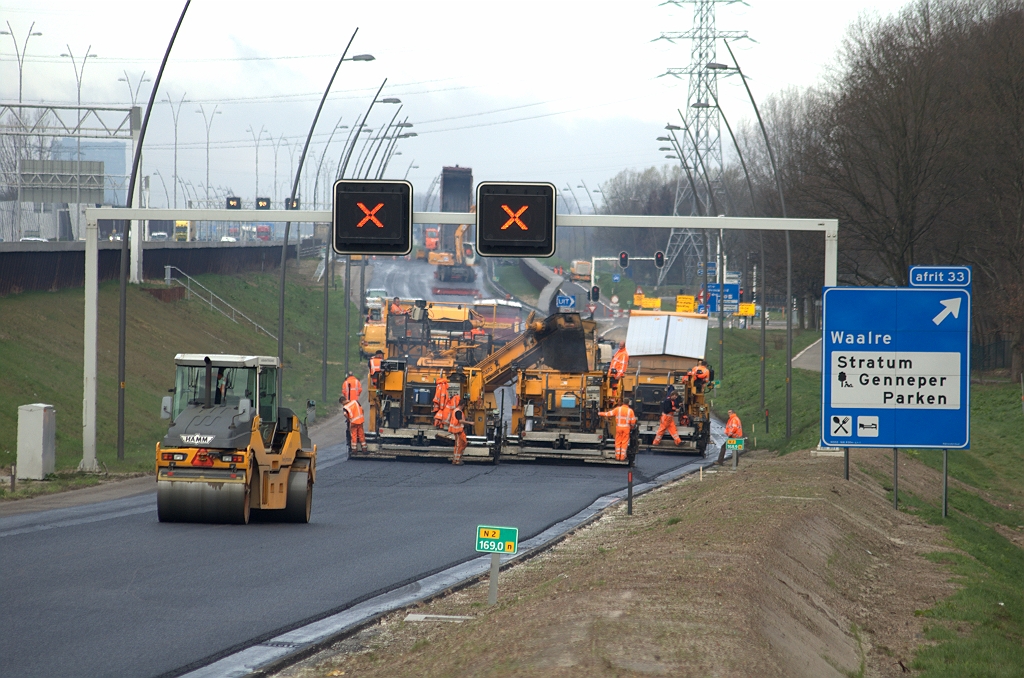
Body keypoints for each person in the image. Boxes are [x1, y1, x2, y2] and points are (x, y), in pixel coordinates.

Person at [599, 397, 637, 462]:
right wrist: (632, 427)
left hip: (619, 428)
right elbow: (633, 422)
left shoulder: (618, 409)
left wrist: (599, 413)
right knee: (624, 443)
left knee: (618, 442)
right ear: (628, 403)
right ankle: (622, 457)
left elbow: (608, 414)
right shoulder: (630, 411)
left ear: (623, 402)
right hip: (626, 429)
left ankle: (617, 456)